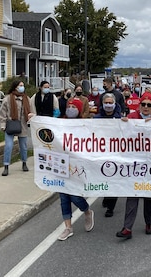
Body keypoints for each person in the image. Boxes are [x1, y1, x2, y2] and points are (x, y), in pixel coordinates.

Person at [116, 93, 151, 239]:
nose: (145, 107)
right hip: (135, 162)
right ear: (139, 106)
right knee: (132, 194)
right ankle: (127, 227)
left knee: (150, 195)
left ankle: (149, 222)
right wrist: (122, 124)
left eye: (149, 105)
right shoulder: (132, 118)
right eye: (143, 104)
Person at [57, 98, 94, 240]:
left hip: (77, 166)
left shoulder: (83, 125)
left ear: (79, 110)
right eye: (69, 106)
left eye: (74, 106)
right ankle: (68, 227)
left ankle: (87, 211)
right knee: (63, 197)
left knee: (75, 196)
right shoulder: (59, 122)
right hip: (60, 164)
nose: (71, 108)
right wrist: (34, 119)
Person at [94, 93, 123, 217]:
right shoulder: (96, 119)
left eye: (111, 102)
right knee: (103, 177)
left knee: (113, 179)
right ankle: (106, 196)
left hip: (116, 153)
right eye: (106, 102)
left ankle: (111, 207)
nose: (109, 105)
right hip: (101, 153)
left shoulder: (121, 119)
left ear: (115, 104)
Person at [0, 80, 34, 176]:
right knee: (8, 146)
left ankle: (24, 162)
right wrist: (3, 125)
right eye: (20, 85)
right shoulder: (8, 99)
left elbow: (31, 112)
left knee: (23, 146)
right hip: (10, 125)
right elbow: (2, 113)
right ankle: (6, 166)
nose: (22, 87)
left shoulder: (27, 99)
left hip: (23, 125)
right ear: (15, 87)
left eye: (23, 85)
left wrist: (31, 119)